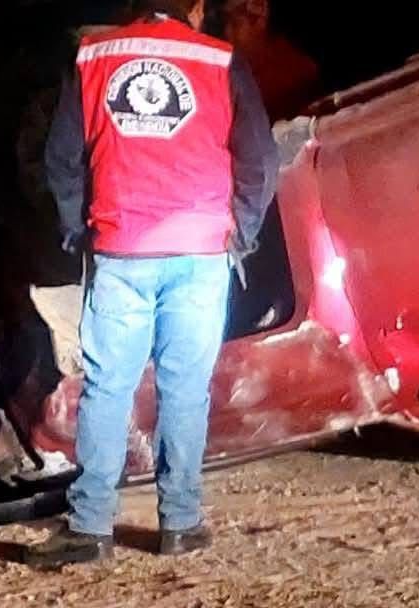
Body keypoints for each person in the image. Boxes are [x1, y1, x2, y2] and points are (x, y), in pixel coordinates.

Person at [25, 0, 279, 567]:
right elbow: (260, 160)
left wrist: (80, 231)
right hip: (200, 249)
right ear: (197, 9)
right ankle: (181, 525)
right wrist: (240, 233)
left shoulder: (93, 56)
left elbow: (61, 160)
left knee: (107, 388)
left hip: (121, 247)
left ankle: (90, 528)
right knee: (184, 390)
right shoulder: (220, 59)